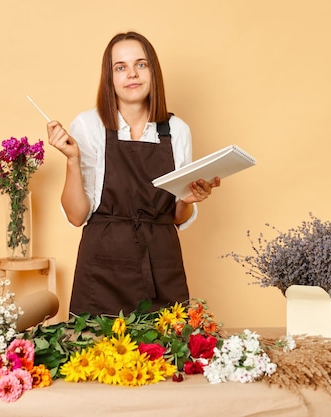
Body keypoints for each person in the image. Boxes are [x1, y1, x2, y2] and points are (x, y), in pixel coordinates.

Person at [47, 31, 220, 316]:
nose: (132, 74)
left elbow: (176, 217)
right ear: (110, 77)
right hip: (101, 270)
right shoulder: (89, 126)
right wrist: (72, 160)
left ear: (153, 72)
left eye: (141, 64)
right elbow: (78, 216)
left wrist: (188, 199)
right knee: (95, 359)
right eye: (121, 67)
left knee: (168, 356)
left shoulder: (177, 130)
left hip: (161, 268)